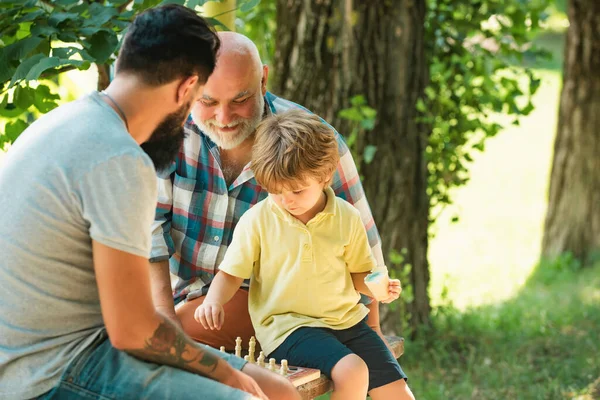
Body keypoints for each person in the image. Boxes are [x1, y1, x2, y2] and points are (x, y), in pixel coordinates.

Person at [0, 5, 298, 400]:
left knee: (277, 389)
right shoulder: (118, 157)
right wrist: (225, 375)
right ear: (186, 88)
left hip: (83, 347)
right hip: (49, 372)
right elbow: (134, 331)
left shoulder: (68, 121)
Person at [150, 31, 395, 353]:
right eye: (207, 101)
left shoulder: (311, 145)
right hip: (186, 298)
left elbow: (365, 253)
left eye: (240, 100)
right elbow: (149, 233)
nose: (223, 119)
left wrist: (372, 339)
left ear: (263, 80)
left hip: (283, 308)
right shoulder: (166, 135)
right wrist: (165, 319)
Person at [194, 110, 415, 400]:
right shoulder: (258, 220)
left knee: (399, 396)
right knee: (353, 371)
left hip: (346, 321)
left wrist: (378, 287)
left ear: (325, 176)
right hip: (289, 327)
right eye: (275, 191)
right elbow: (231, 273)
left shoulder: (347, 218)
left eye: (297, 191)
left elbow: (359, 275)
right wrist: (213, 300)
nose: (286, 201)